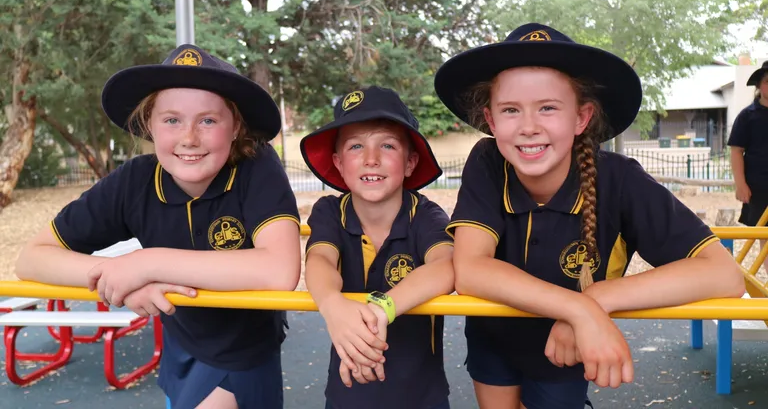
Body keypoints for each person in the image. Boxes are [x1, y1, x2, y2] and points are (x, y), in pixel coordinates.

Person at [433, 23, 745, 409]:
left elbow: (723, 274)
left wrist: (596, 299)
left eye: (548, 107)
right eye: (511, 110)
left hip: (564, 347)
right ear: (492, 121)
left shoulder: (619, 179)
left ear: (581, 118)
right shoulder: (487, 160)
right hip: (493, 336)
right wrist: (578, 306)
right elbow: (471, 269)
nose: (529, 127)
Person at [15, 44, 302, 409]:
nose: (189, 138)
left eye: (208, 121)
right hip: (180, 342)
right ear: (149, 125)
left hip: (243, 352)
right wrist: (120, 277)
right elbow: (32, 258)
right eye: (171, 120)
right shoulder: (135, 181)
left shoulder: (256, 167)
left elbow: (279, 269)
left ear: (236, 129)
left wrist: (147, 262)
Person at [300, 86, 455, 409]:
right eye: (356, 146)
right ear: (338, 163)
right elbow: (320, 260)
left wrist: (381, 309)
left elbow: (446, 265)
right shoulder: (330, 211)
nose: (371, 159)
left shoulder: (424, 215)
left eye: (387, 145)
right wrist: (331, 305)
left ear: (411, 162)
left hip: (420, 396)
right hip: (348, 391)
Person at [729, 60, 768, 273]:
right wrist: (740, 184)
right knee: (766, 236)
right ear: (759, 86)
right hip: (759, 186)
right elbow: (736, 151)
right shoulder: (747, 116)